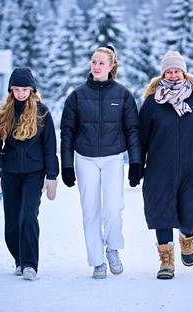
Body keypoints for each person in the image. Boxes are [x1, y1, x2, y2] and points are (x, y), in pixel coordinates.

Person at [139, 51, 193, 280]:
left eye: (177, 70)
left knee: (192, 214)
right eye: (169, 71)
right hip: (159, 170)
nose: (174, 74)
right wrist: (137, 166)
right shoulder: (152, 103)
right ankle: (166, 262)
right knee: (161, 213)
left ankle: (187, 238)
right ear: (163, 73)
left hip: (192, 169)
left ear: (184, 72)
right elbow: (141, 139)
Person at [60, 46, 142, 279]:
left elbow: (133, 130)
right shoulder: (76, 96)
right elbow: (67, 132)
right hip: (84, 158)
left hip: (113, 158)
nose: (96, 66)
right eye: (93, 62)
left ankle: (113, 248)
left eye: (101, 63)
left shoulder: (123, 95)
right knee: (90, 211)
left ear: (111, 66)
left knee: (114, 208)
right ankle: (97, 261)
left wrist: (135, 162)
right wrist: (66, 165)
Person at [0, 67, 59, 281]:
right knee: (12, 223)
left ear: (32, 90)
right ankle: (19, 259)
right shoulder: (4, 113)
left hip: (35, 173)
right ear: (11, 90)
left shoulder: (42, 112)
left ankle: (29, 264)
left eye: (25, 89)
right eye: (17, 89)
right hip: (10, 173)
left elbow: (49, 146)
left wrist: (52, 175)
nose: (21, 93)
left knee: (28, 216)